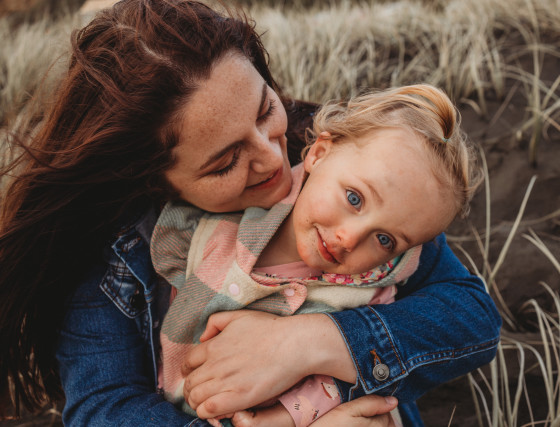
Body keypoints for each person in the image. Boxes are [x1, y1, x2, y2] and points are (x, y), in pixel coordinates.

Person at [0, 1, 502, 426]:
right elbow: (105, 410)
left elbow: (470, 316)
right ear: (154, 181)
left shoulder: (348, 169)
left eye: (265, 110)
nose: (271, 156)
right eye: (226, 161)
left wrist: (313, 342)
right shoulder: (110, 249)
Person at [152, 84, 479, 427]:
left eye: (384, 239)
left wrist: (285, 417)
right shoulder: (211, 222)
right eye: (354, 198)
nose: (349, 238)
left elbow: (349, 380)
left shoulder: (369, 294)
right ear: (320, 153)